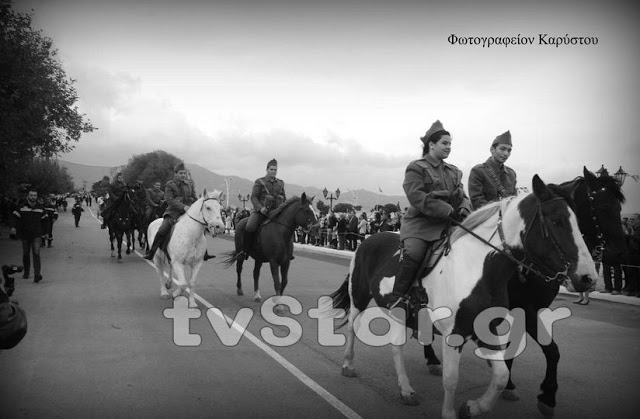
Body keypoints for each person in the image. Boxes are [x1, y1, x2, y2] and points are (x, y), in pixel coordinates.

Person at [387, 120, 472, 313]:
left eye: (450, 144)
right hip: (421, 225)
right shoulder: (416, 168)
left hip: (448, 225)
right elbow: (417, 197)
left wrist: (465, 209)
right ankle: (398, 298)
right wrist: (448, 210)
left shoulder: (454, 171)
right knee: (415, 252)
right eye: (445, 143)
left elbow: (463, 195)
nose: (449, 147)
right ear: (431, 145)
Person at [144, 163, 198, 260]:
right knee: (162, 230)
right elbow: (169, 200)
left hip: (188, 213)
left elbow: (194, 197)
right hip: (173, 213)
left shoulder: (189, 184)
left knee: (200, 227)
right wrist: (183, 206)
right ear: (176, 174)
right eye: (181, 173)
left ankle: (203, 253)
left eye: (184, 173)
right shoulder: (170, 185)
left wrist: (196, 205)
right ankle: (151, 252)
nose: (183, 175)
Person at [238, 158, 287, 259]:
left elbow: (284, 198)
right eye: (271, 169)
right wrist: (260, 208)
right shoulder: (259, 181)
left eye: (275, 170)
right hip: (261, 211)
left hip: (276, 212)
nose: (273, 171)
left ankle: (286, 251)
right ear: (267, 169)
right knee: (250, 226)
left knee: (287, 226)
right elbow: (254, 197)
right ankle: (245, 251)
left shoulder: (280, 183)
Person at [468, 130, 517, 210]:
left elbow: (513, 201)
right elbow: (477, 202)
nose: (506, 154)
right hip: (486, 219)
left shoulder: (511, 174)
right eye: (502, 149)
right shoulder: (478, 171)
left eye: (509, 150)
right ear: (492, 149)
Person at [9, 190, 48, 283]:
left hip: (36, 234)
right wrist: (13, 227)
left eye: (35, 195)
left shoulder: (41, 208)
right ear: (28, 196)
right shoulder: (21, 207)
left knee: (36, 253)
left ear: (37, 197)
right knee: (26, 254)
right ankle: (26, 272)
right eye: (31, 195)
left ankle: (37, 275)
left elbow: (46, 221)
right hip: (25, 234)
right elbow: (14, 217)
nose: (33, 197)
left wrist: (46, 232)